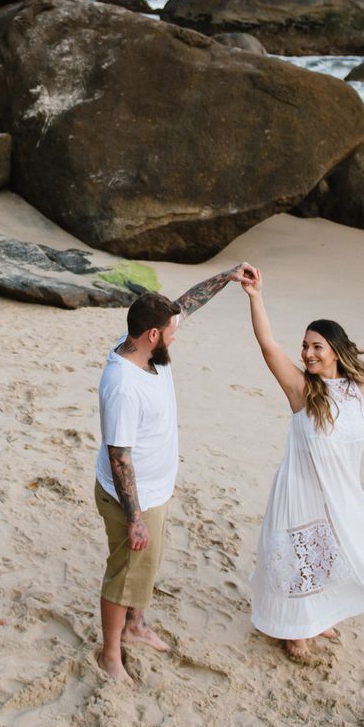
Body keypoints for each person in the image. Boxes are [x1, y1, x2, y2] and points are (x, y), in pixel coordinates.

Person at [239, 266, 364, 662]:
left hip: (340, 493)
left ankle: (318, 615)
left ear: (335, 351)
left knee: (330, 554)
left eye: (316, 347)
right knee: (299, 558)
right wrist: (256, 297)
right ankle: (297, 633)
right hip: (300, 489)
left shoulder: (361, 393)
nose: (306, 353)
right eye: (305, 345)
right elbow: (268, 343)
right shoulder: (302, 389)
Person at [93, 263, 252, 684]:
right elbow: (119, 456)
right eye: (171, 333)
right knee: (123, 574)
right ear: (152, 335)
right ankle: (111, 654)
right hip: (133, 498)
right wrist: (136, 518)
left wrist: (228, 276)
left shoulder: (145, 348)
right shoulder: (123, 384)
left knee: (144, 568)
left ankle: (136, 625)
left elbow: (185, 306)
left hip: (154, 489)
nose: (176, 336)